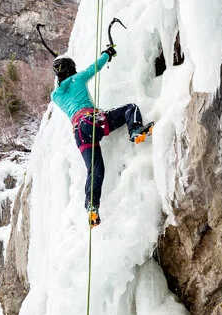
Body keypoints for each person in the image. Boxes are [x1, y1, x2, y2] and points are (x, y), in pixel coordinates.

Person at [51, 44, 150, 227]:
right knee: (130, 109)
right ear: (71, 69)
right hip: (92, 120)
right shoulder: (78, 79)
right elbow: (94, 67)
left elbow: (61, 86)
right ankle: (135, 130)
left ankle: (92, 206)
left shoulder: (56, 96)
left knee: (95, 169)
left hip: (79, 133)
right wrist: (107, 53)